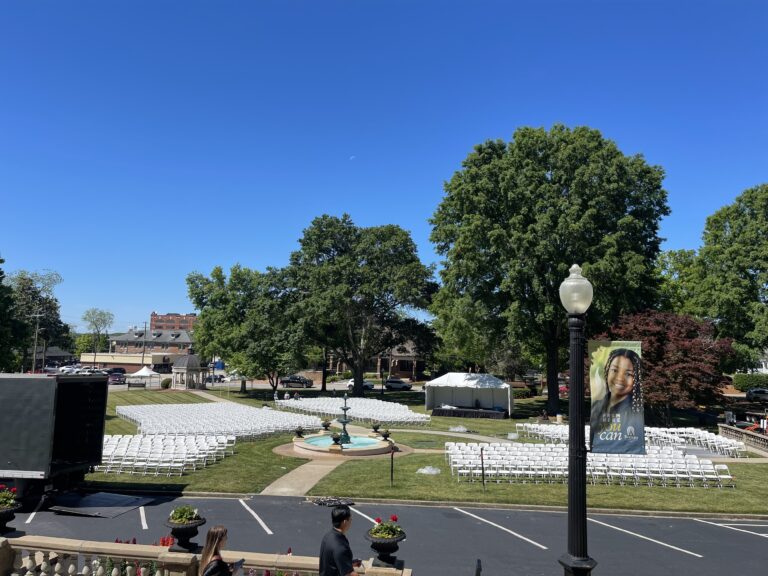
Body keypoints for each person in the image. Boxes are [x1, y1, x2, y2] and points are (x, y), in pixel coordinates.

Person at [590, 348, 645, 454]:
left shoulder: (635, 414)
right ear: (607, 371)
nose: (620, 378)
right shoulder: (597, 406)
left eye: (628, 374)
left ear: (636, 380)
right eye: (615, 370)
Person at [319, 505, 361, 576]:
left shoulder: (328, 536)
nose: (351, 521)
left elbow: (333, 562)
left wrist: (349, 563)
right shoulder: (340, 547)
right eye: (350, 519)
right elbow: (349, 574)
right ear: (345, 522)